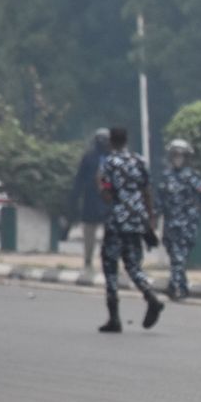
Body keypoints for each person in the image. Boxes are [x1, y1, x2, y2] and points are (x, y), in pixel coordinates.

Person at [96, 127, 164, 333]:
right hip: (137, 221)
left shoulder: (109, 163)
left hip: (117, 221)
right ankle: (151, 296)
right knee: (134, 265)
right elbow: (147, 191)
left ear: (110, 142)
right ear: (126, 140)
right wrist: (150, 219)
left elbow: (106, 194)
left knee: (110, 266)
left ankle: (114, 318)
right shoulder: (139, 160)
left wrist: (101, 188)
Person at [157, 138, 201, 300]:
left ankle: (174, 287)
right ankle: (182, 287)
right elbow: (159, 200)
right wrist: (153, 218)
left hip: (187, 224)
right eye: (175, 155)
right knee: (175, 257)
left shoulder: (193, 177)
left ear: (186, 158)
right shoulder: (166, 177)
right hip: (170, 224)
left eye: (181, 155)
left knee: (180, 257)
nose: (177, 158)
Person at [69, 128, 111, 268]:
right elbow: (79, 178)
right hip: (91, 198)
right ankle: (88, 260)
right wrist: (74, 197)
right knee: (89, 232)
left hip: (108, 199)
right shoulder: (89, 157)